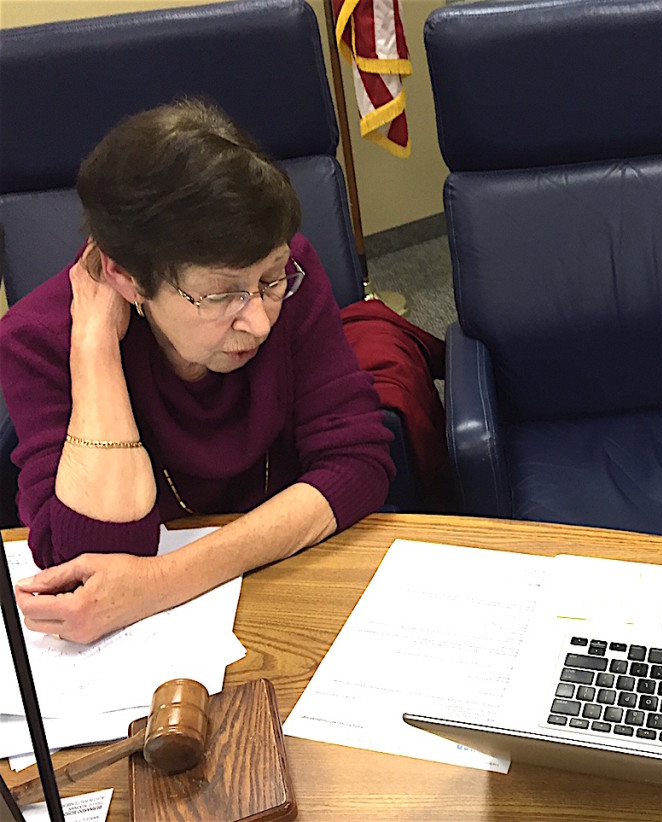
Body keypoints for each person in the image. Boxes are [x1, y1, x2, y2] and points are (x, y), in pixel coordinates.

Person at [0, 99, 395, 644]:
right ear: (125, 276)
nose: (257, 321)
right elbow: (85, 563)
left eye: (271, 280)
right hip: (141, 650)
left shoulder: (289, 267)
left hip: (292, 578)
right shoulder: (36, 338)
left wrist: (162, 580)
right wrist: (94, 348)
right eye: (220, 294)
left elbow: (358, 465)